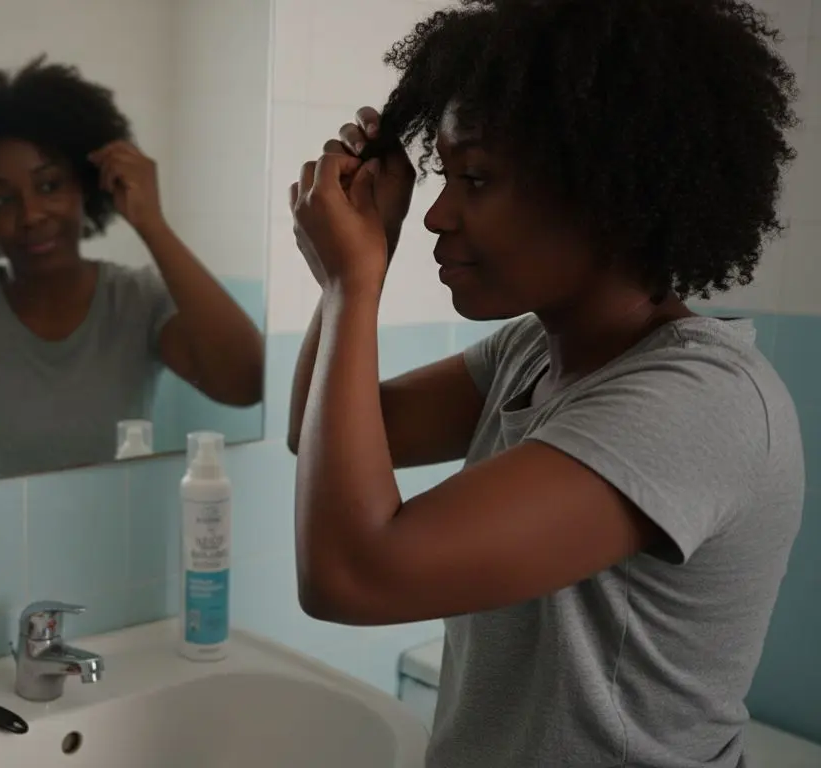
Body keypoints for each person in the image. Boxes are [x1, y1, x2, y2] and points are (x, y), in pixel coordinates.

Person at [285, 1, 804, 766]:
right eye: (445, 176)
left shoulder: (699, 401)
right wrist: (355, 269)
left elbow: (350, 577)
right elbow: (317, 429)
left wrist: (350, 285)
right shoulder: (533, 350)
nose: (436, 215)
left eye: (476, 178)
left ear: (609, 192)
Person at [0, 56, 264, 480]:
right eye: (3, 199)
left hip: (119, 524)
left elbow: (245, 385)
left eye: (49, 185)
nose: (31, 214)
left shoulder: (137, 299)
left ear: (86, 186)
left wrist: (153, 224)